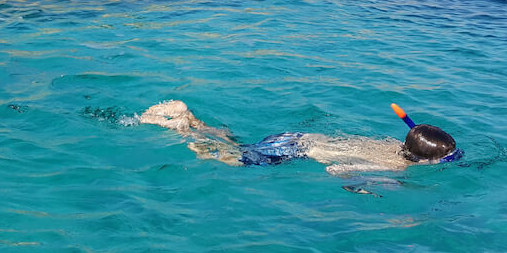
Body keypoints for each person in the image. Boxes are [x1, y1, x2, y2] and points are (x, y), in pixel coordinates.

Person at [139, 100, 461, 175]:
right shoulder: (396, 168)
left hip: (297, 137)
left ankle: (191, 118)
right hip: (297, 150)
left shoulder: (393, 147)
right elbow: (334, 170)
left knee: (237, 144)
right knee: (225, 159)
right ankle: (181, 129)